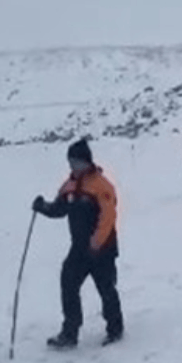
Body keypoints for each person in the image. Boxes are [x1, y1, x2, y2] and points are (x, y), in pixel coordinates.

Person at [32, 139, 124, 349]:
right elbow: (59, 209)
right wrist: (43, 207)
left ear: (86, 161)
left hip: (102, 249)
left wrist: (96, 243)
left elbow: (108, 217)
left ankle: (115, 329)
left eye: (76, 162)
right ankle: (70, 332)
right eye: (70, 162)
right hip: (79, 249)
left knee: (106, 289)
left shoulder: (102, 186)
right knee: (68, 284)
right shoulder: (70, 185)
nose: (73, 166)